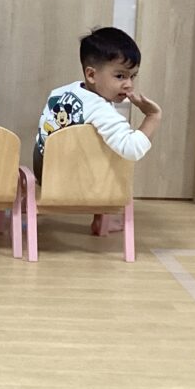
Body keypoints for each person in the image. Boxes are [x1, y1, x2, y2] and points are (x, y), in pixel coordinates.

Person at [34, 26, 162, 234]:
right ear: (91, 74)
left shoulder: (60, 92)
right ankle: (104, 217)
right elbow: (132, 149)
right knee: (113, 156)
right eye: (120, 76)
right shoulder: (101, 110)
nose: (129, 85)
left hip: (45, 176)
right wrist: (152, 117)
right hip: (83, 183)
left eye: (132, 76)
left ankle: (101, 219)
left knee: (95, 145)